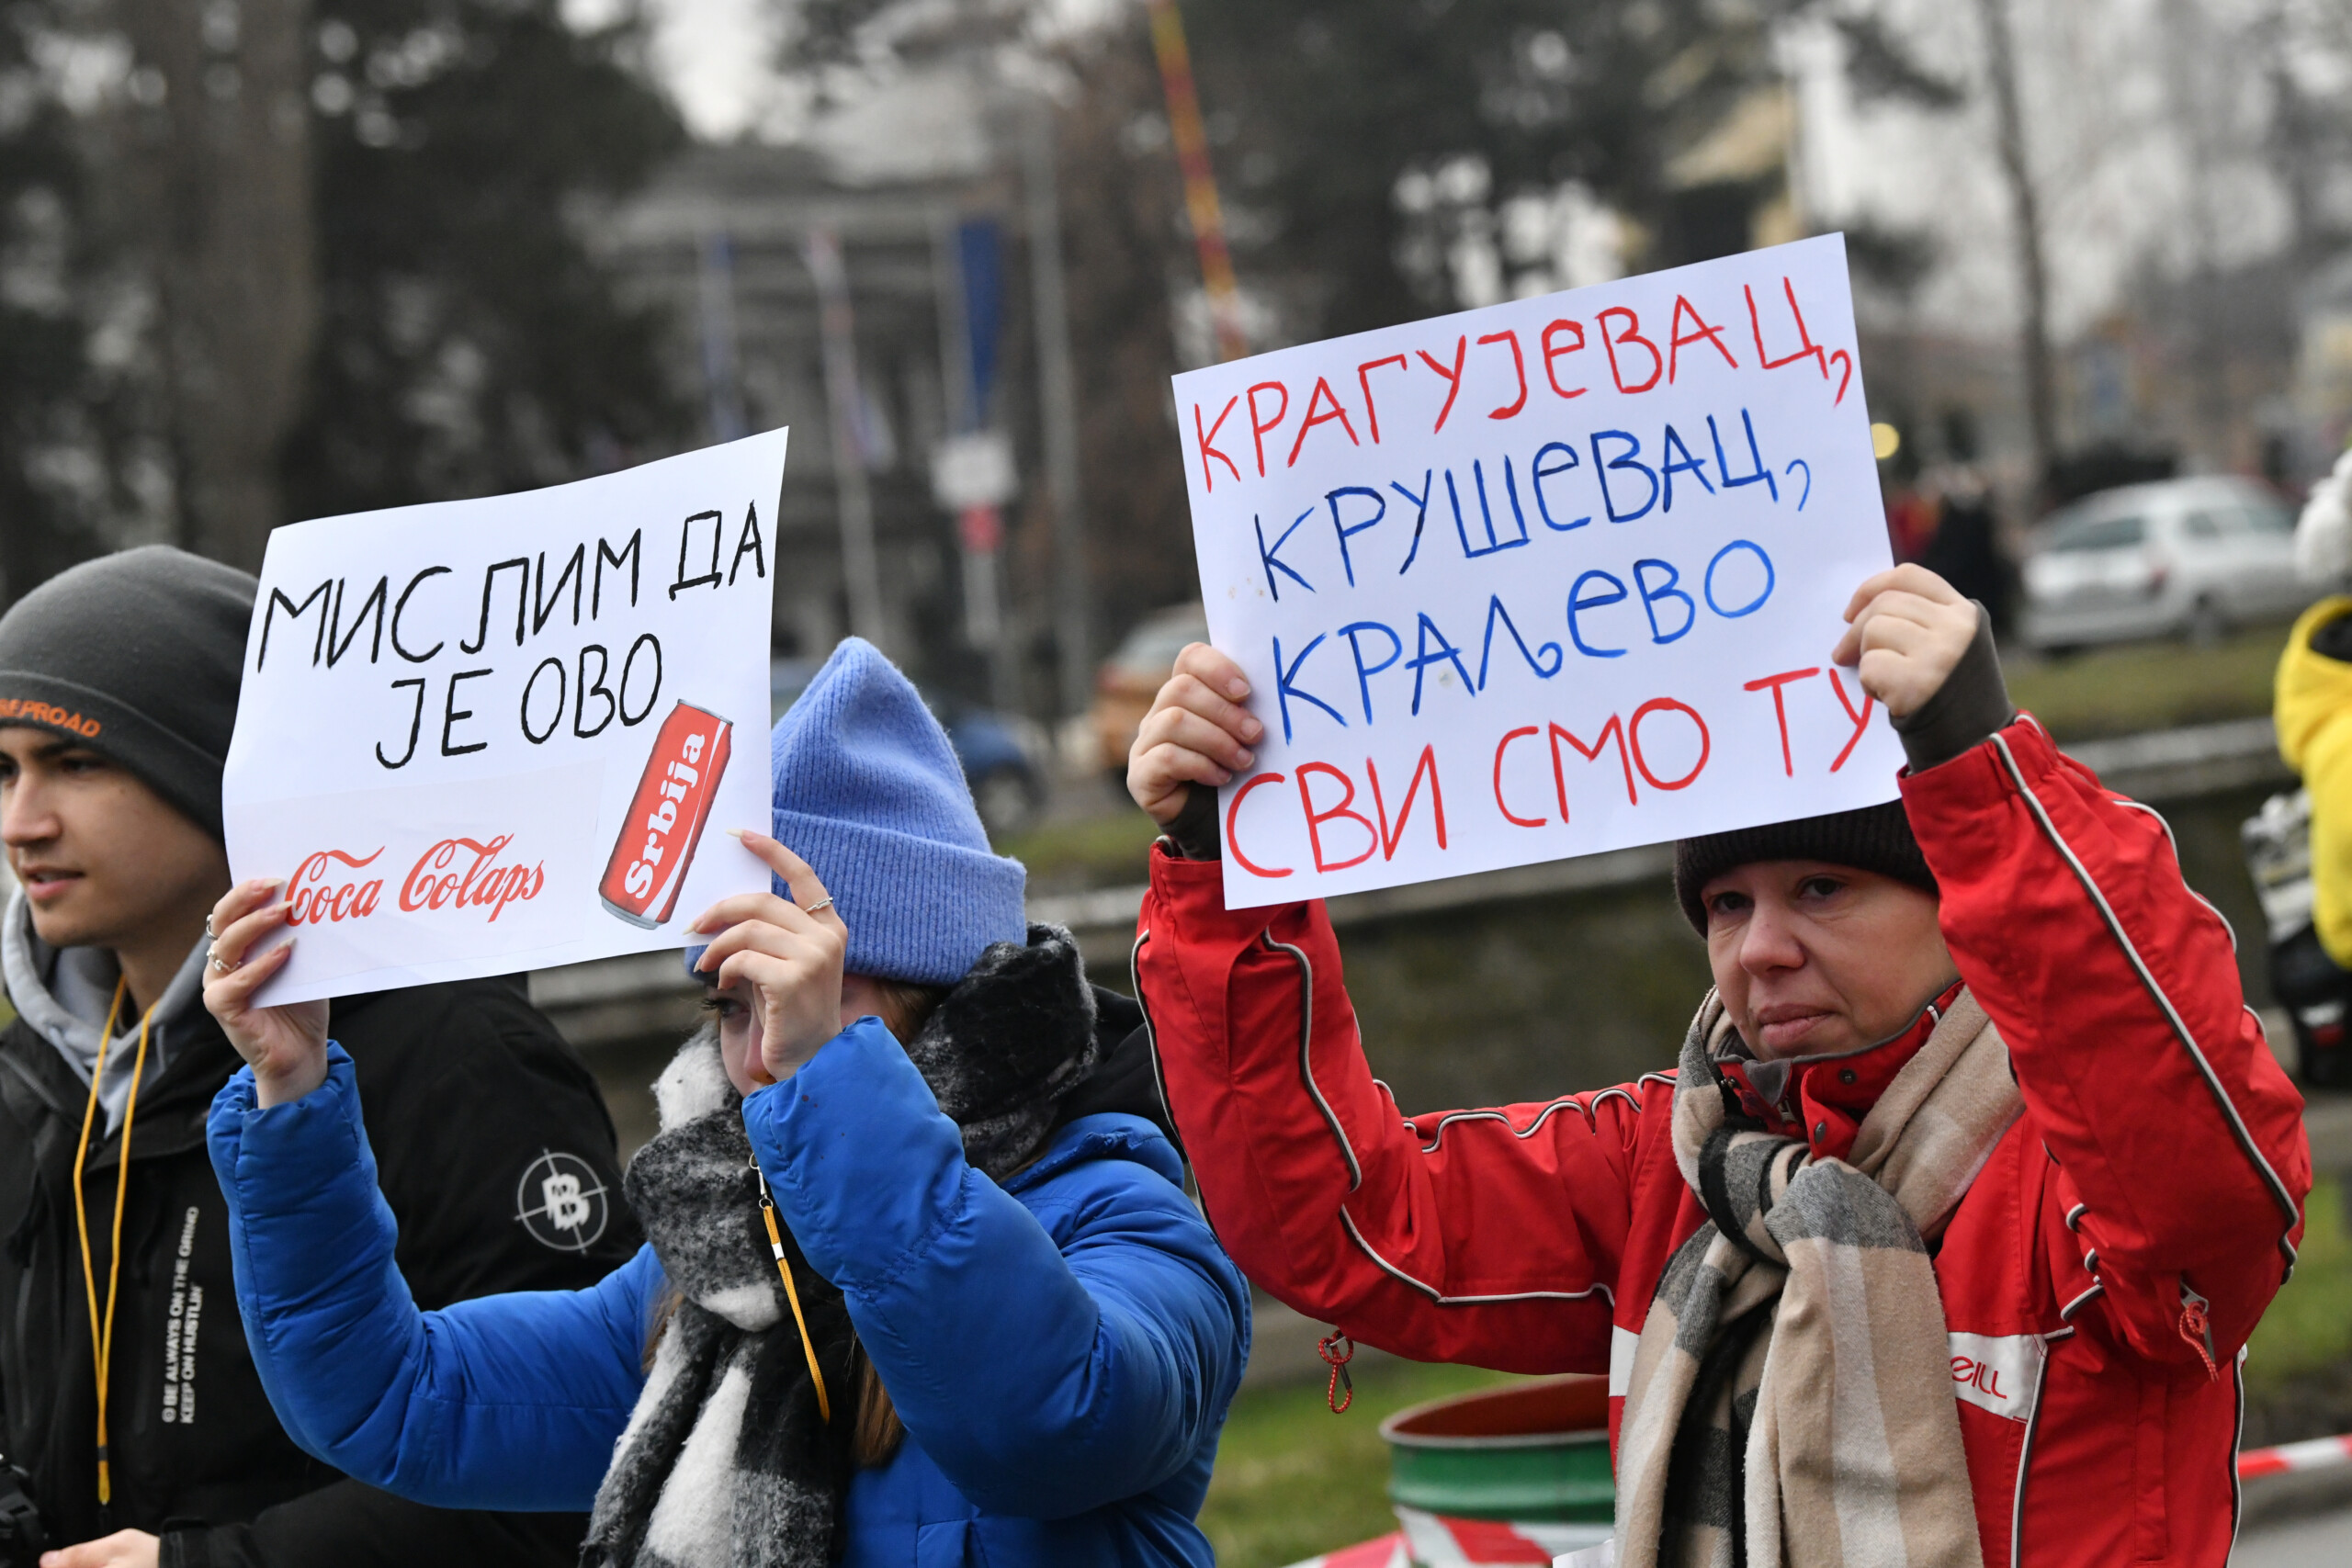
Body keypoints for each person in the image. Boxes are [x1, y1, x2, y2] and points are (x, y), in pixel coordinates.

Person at [1125, 565, 2309, 1567]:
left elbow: (2200, 1165)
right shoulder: (1672, 1163)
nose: (1763, 948)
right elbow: (1347, 1225)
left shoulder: (2079, 1181)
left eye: (1824, 889)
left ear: (1962, 899)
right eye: (1726, 903)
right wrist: (1224, 869)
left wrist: (1982, 770)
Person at [197, 637, 1250, 1568]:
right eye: (729, 1004)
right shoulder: (712, 1269)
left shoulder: (1123, 1211)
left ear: (952, 988)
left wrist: (836, 1088)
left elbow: (1050, 1426)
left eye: (809, 994)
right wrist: (293, 1103)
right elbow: (391, 1400)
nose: (757, 1058)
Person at [0, 547, 642, 1568]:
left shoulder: (452, 1057)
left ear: (219, 772)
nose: (21, 822)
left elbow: (579, 1461)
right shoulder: (29, 1074)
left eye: (77, 763)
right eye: (5, 768)